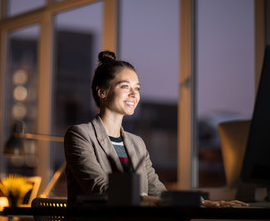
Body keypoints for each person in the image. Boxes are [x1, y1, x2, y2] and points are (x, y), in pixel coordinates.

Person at [64, 51, 249, 207]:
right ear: (102, 92)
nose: (133, 94)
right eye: (125, 86)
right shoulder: (80, 135)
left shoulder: (137, 143)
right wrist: (156, 202)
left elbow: (157, 190)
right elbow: (101, 189)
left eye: (137, 88)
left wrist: (206, 203)